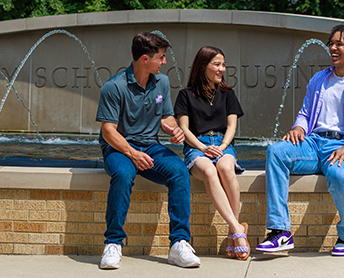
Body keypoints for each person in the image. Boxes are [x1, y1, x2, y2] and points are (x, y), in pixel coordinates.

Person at [256, 25, 344, 256]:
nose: (332, 48)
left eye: (338, 44)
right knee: (276, 152)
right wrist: (297, 128)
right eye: (330, 43)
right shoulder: (319, 78)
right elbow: (305, 113)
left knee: (339, 174)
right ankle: (280, 232)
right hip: (313, 143)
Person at [95, 32, 200, 269]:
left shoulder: (161, 82)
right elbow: (109, 132)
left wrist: (173, 130)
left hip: (150, 146)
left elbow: (167, 117)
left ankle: (179, 244)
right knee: (123, 175)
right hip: (119, 148)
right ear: (145, 59)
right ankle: (113, 244)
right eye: (161, 57)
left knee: (180, 172)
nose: (164, 62)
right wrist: (132, 154)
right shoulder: (114, 87)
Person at [174, 46, 248, 260]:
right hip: (197, 145)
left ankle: (232, 232)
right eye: (216, 64)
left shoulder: (228, 94)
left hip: (223, 144)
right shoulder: (185, 95)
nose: (221, 69)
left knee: (225, 167)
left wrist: (223, 146)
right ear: (202, 66)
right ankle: (237, 229)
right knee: (208, 170)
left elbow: (232, 126)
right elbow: (184, 129)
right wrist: (203, 147)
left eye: (223, 64)